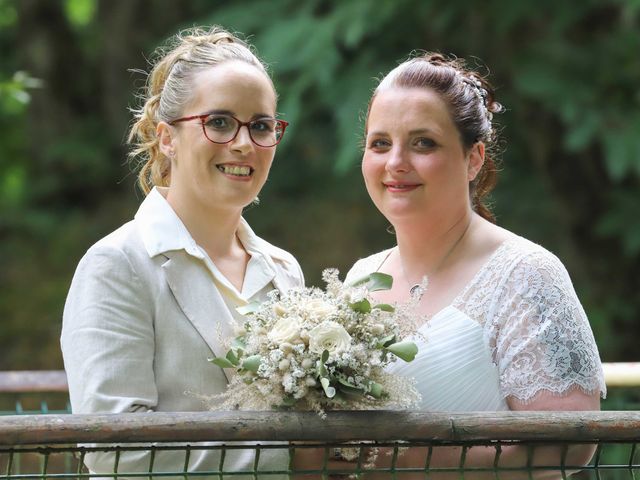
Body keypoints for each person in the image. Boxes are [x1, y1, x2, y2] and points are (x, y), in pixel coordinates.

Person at [343, 53, 606, 477]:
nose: (395, 163)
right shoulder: (359, 279)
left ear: (474, 159)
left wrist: (395, 460)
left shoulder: (526, 272)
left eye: (423, 142)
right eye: (380, 143)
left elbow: (569, 444)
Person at [60, 26, 303, 478]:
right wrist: (291, 459)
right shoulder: (117, 265)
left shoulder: (286, 270)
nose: (244, 143)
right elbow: (118, 456)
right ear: (167, 137)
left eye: (262, 125)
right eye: (219, 122)